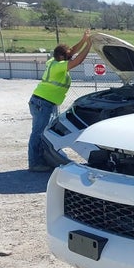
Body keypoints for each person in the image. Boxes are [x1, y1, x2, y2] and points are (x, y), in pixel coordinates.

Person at [27, 30, 92, 172]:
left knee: (47, 133)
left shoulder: (53, 61)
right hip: (43, 103)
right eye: (68, 54)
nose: (71, 54)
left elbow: (72, 51)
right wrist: (89, 46)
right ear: (62, 56)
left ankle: (46, 160)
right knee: (38, 133)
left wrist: (84, 40)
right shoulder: (58, 66)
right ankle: (35, 163)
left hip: (44, 102)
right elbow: (78, 60)